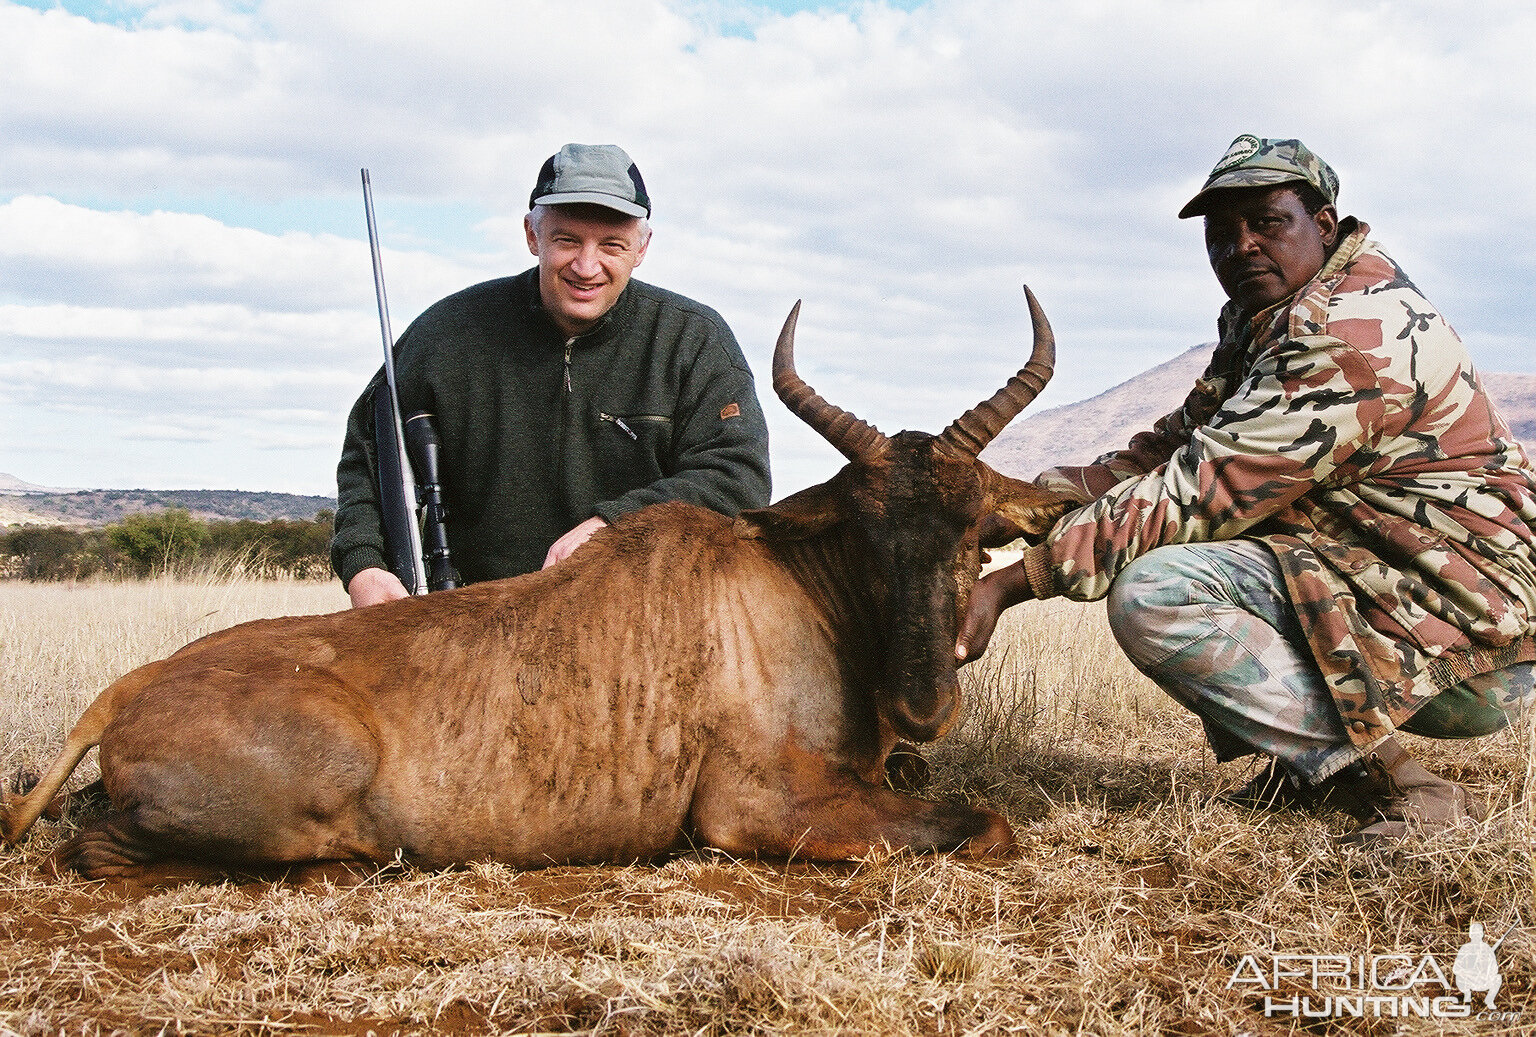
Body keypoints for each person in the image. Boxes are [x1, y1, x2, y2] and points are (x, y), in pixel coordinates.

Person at [958, 136, 1536, 841]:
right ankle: (1310, 767)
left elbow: (1200, 490)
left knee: (1157, 588)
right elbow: (1176, 445)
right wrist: (1023, 503)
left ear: (1322, 225)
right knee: (1216, 538)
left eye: (1268, 222)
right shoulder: (1270, 317)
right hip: (1378, 581)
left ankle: (1396, 783)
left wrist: (1012, 583)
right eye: (1221, 232)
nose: (1242, 246)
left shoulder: (1348, 333)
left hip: (1469, 635)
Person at [332, 144, 772, 606]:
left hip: (641, 627)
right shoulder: (444, 333)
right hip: (470, 624)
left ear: (642, 248)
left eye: (612, 246)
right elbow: (368, 452)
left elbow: (736, 477)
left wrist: (615, 529)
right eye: (566, 240)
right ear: (531, 235)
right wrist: (365, 566)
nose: (586, 267)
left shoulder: (695, 340)